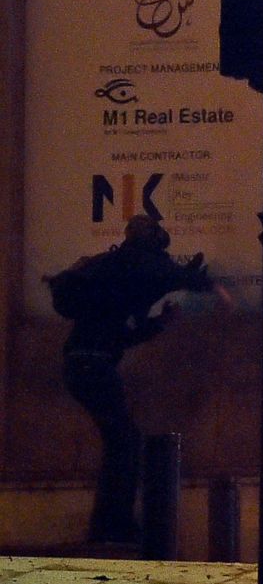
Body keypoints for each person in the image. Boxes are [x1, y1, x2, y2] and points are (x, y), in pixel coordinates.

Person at [50, 215, 211, 544]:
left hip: (80, 363)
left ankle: (108, 523)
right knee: (124, 441)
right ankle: (113, 525)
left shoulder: (111, 270)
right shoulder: (139, 265)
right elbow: (171, 276)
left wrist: (159, 322)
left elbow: (120, 335)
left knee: (120, 440)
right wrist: (194, 280)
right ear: (152, 238)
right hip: (94, 366)